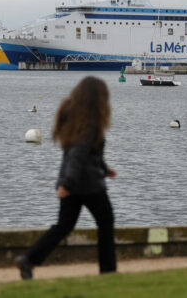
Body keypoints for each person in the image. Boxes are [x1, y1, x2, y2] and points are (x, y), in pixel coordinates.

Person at [16, 76, 117, 279]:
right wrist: (68, 184)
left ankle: (29, 259)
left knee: (64, 226)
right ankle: (108, 271)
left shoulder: (73, 118)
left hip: (73, 180)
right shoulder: (91, 123)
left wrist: (104, 169)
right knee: (106, 223)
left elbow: (82, 155)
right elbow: (79, 154)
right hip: (88, 185)